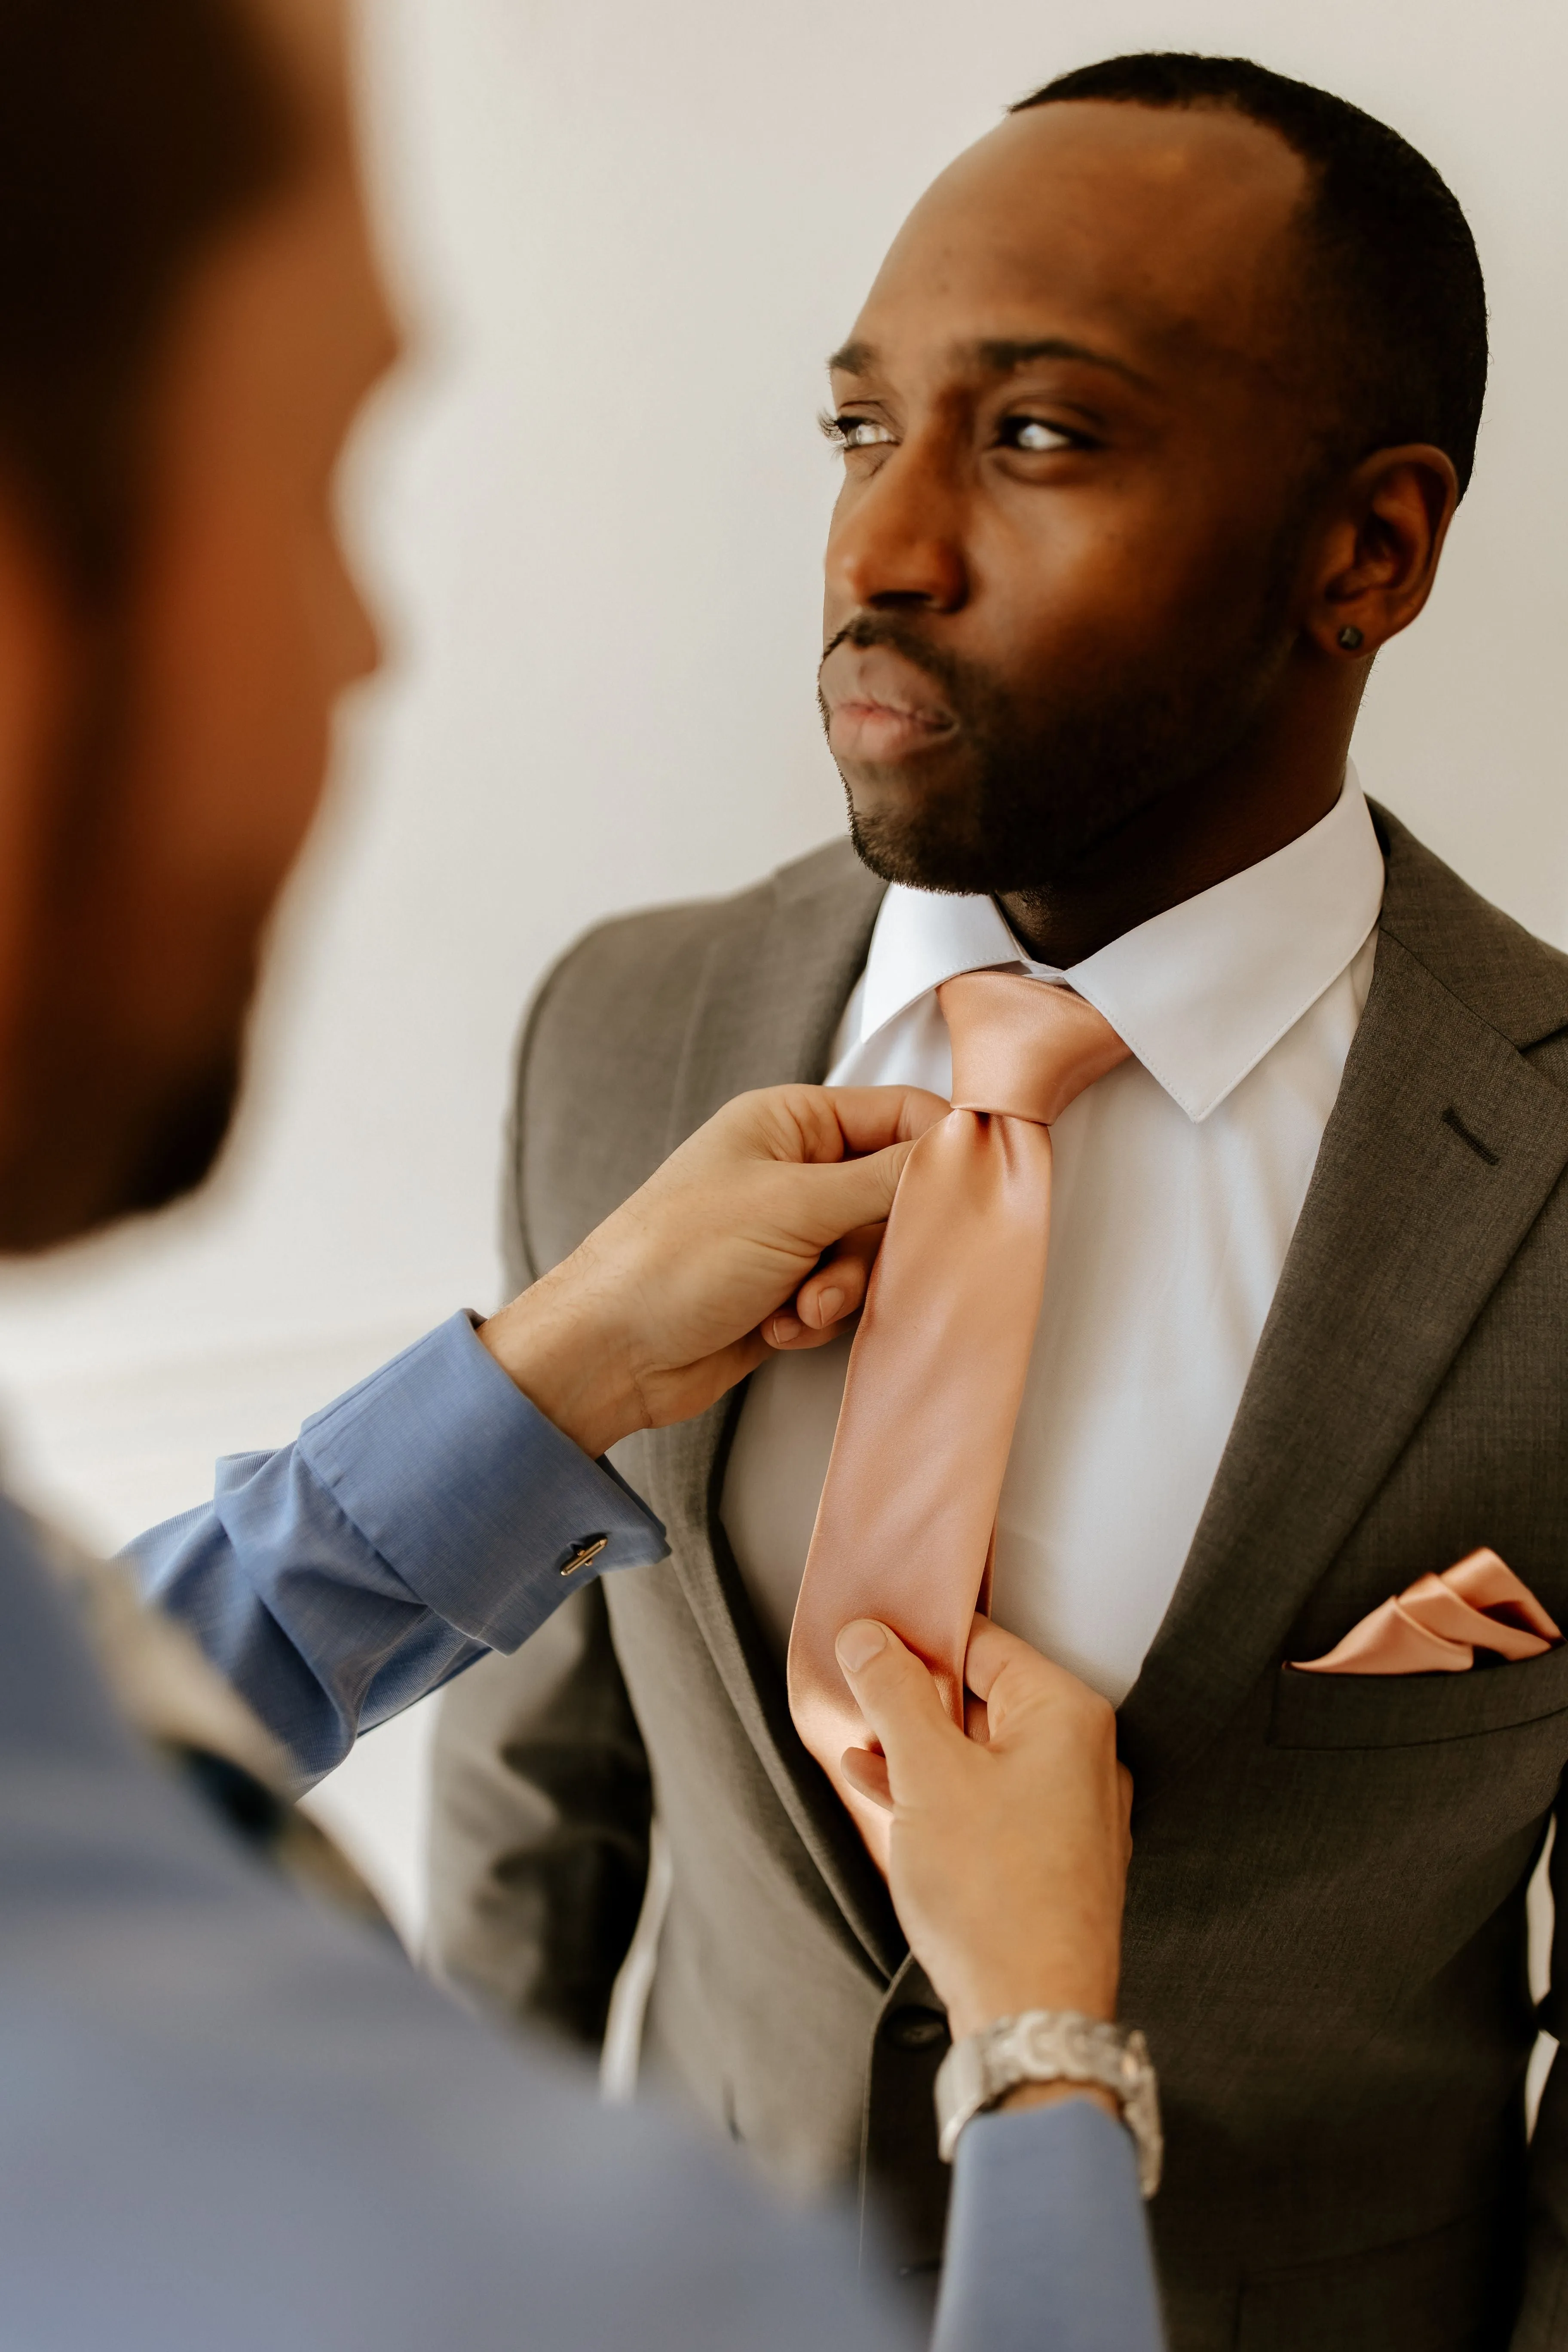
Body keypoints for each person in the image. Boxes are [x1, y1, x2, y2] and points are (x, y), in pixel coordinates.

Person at [0, 0, 1168, 2345]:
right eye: (315, 467)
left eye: (1037, 433)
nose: (365, 639)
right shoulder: (414, 2250)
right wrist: (1048, 2062)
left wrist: (521, 1398)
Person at [428, 51, 1568, 2352]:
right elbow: (538, 1777)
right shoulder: (624, 1031)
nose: (882, 550)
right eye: (863, 432)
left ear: (1371, 551)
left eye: (1036, 436)